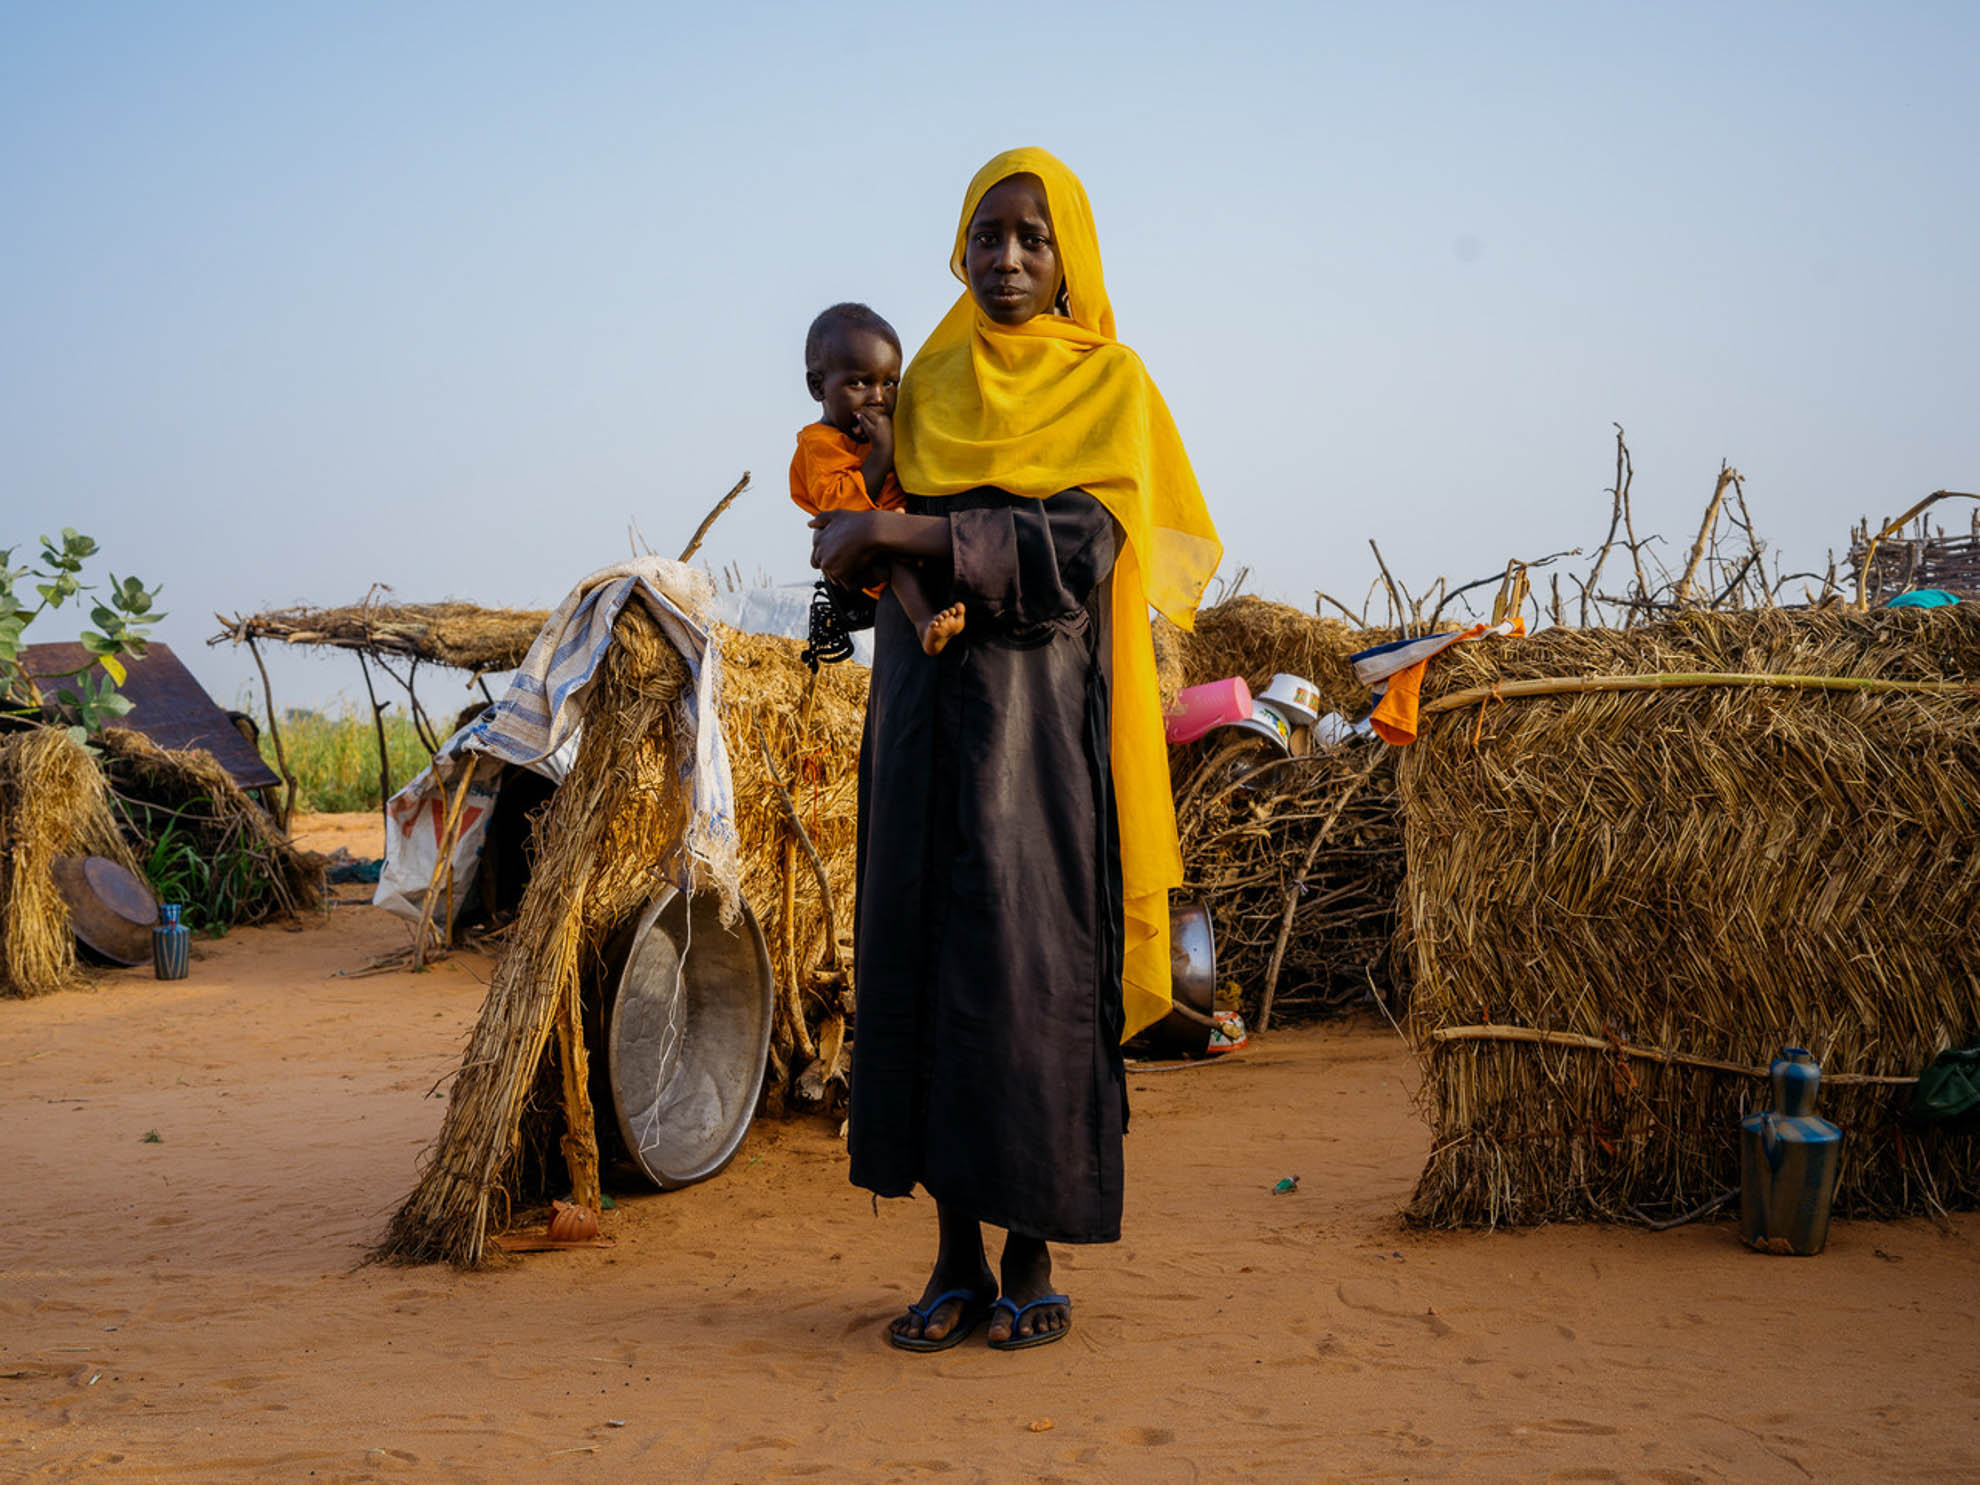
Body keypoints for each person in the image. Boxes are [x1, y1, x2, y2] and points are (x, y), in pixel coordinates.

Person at [809, 148, 1221, 1351]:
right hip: (926, 716)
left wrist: (901, 525)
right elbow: (870, 527)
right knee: (929, 967)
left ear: (1070, 256)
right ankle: (952, 1262)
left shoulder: (1112, 386)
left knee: (1037, 972)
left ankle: (1033, 1254)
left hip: (1046, 727)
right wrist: (858, 546)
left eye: (1033, 239)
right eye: (987, 236)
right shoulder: (924, 379)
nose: (1006, 259)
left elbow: (1086, 545)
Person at [791, 304, 966, 656]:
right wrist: (882, 454)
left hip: (903, 529)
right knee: (896, 559)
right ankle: (923, 622)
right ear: (817, 385)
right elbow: (843, 508)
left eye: (890, 383)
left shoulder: (885, 428)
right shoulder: (818, 445)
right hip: (866, 553)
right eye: (858, 382)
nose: (878, 398)